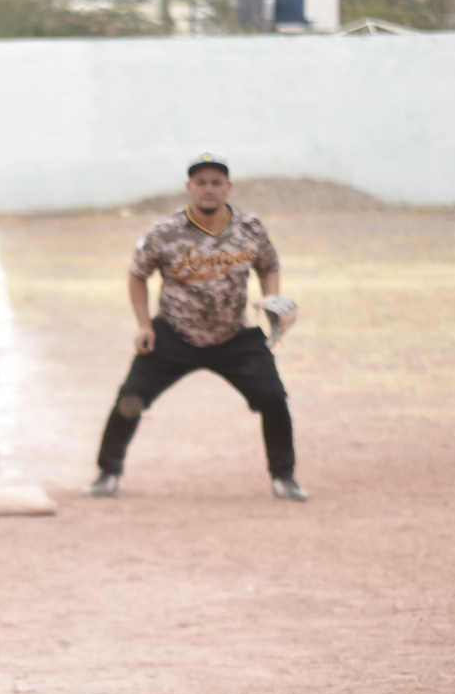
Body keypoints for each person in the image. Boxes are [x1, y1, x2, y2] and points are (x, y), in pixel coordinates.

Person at [88, 153, 305, 502]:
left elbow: (268, 264)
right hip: (174, 334)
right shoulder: (165, 231)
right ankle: (107, 473)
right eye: (201, 182)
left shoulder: (250, 228)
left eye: (216, 183)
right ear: (189, 187)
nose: (209, 189)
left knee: (273, 399)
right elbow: (137, 274)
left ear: (228, 188)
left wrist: (272, 301)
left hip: (233, 335)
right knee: (130, 400)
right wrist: (144, 325)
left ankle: (284, 478)